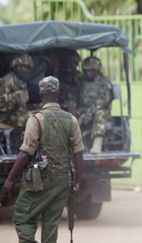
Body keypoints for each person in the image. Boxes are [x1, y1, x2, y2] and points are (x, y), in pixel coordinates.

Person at [3, 76, 84, 243]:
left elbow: (25, 153)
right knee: (51, 223)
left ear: (41, 94)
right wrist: (78, 180)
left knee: (23, 217)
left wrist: (10, 179)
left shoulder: (36, 119)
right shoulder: (71, 120)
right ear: (58, 93)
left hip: (39, 181)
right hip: (63, 181)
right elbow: (78, 153)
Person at [77, 56, 113, 153]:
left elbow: (104, 100)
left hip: (98, 110)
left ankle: (97, 145)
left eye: (92, 70)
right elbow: (73, 96)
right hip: (82, 110)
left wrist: (89, 113)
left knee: (100, 114)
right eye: (87, 70)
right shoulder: (80, 81)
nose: (90, 73)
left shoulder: (104, 81)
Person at [0, 54, 33, 127]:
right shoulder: (8, 81)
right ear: (16, 67)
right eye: (23, 67)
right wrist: (13, 97)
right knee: (31, 120)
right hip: (7, 117)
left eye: (27, 68)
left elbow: (24, 101)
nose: (26, 70)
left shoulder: (21, 82)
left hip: (18, 113)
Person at [57, 50, 81, 115]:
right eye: (74, 63)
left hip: (76, 106)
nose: (76, 66)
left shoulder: (78, 76)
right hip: (62, 107)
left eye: (77, 63)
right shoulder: (59, 75)